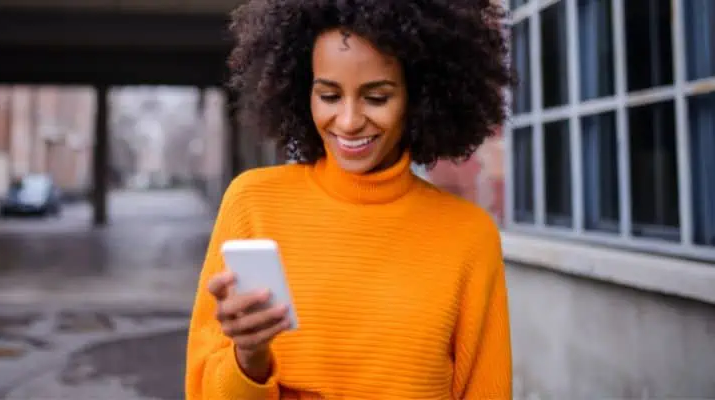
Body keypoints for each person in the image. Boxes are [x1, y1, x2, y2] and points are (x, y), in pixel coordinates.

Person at [185, 0, 514, 398]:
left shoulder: (468, 236)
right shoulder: (253, 202)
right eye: (328, 96)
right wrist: (248, 359)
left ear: (420, 97)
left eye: (376, 98)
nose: (348, 121)